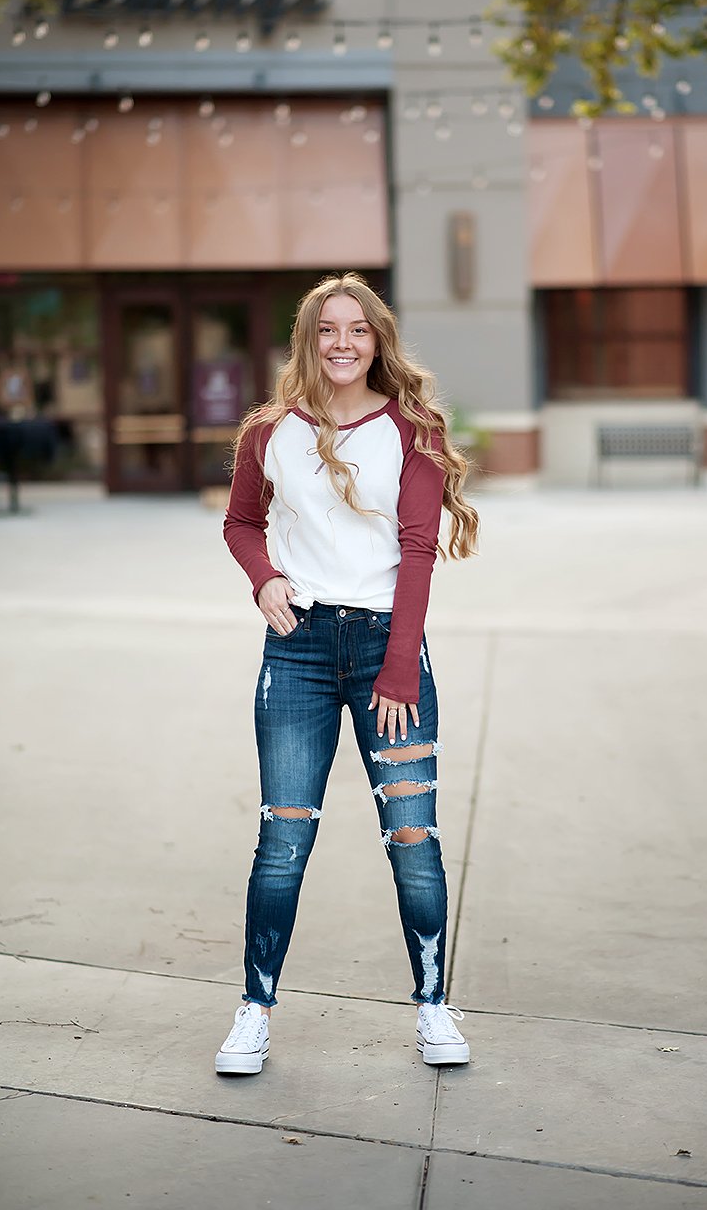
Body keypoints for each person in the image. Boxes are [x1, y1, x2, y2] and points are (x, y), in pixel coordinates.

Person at [215, 272, 479, 1076]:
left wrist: (400, 666)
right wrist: (263, 577)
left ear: (377, 341)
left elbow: (417, 550)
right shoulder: (270, 431)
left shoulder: (413, 428)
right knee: (282, 838)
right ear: (307, 339)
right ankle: (253, 1010)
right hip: (294, 650)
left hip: (384, 654)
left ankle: (432, 1005)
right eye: (326, 329)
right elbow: (240, 521)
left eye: (356, 330)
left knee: (411, 838)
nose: (340, 342)